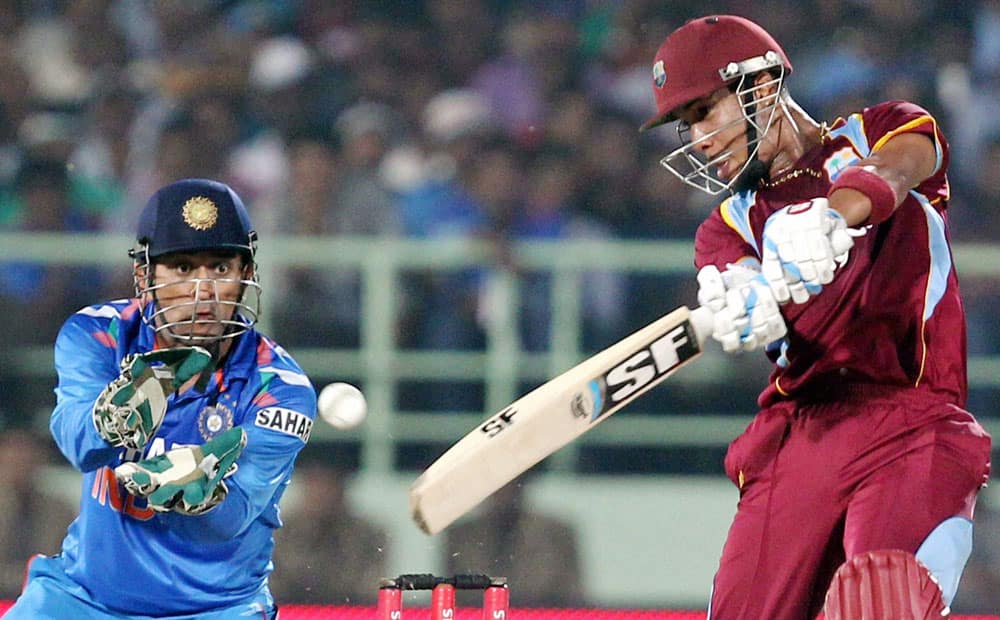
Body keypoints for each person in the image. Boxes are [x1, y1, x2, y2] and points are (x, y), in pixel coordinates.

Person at [640, 15, 991, 620]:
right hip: (794, 439)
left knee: (882, 599)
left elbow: (898, 167)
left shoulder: (879, 129)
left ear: (763, 82)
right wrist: (745, 303)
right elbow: (736, 281)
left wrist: (833, 214)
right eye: (684, 124)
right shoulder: (723, 229)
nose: (696, 138)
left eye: (703, 111)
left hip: (912, 420)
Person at [4, 178, 318, 619]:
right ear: (144, 274)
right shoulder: (99, 334)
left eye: (221, 268)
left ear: (246, 274)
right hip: (85, 599)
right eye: (184, 268)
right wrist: (107, 422)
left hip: (216, 609)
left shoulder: (280, 387)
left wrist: (201, 496)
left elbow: (233, 518)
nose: (203, 291)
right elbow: (78, 445)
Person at [269, 446, 388, 606]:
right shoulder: (278, 532)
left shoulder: (368, 535)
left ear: (341, 487)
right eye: (315, 482)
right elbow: (274, 589)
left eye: (328, 483)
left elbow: (367, 591)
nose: (321, 492)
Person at [443, 475, 585, 608]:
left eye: (509, 482)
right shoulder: (461, 536)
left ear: (521, 483)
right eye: (498, 483)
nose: (504, 491)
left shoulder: (556, 535)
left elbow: (571, 598)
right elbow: (452, 599)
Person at [0, 427, 78, 599]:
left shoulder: (59, 509)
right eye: (13, 456)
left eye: (26, 455)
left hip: (43, 597)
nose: (20, 462)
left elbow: (68, 561)